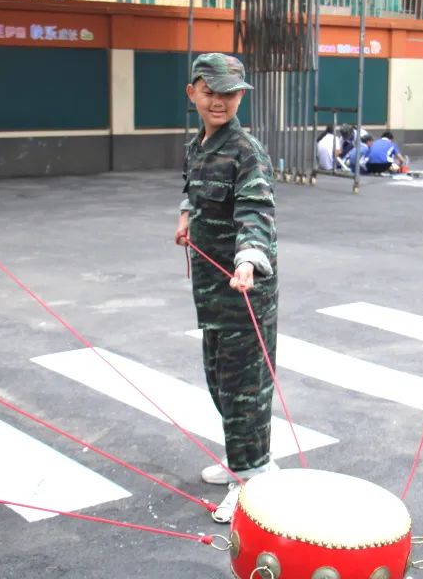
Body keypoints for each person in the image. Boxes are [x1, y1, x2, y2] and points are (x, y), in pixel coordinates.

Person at [174, 53, 279, 524]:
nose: (220, 101)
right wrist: (186, 218)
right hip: (211, 290)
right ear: (192, 92)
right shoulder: (199, 145)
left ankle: (253, 479)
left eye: (230, 93)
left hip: (243, 288)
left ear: (241, 97)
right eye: (211, 91)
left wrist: (248, 259)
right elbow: (191, 188)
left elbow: (256, 210)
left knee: (244, 389)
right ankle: (246, 462)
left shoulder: (245, 149)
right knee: (219, 381)